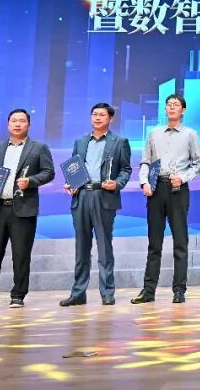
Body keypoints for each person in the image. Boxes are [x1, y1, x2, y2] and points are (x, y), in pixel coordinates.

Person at [0, 109, 56, 309]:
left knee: (21, 255)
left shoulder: (39, 147)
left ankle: (18, 295)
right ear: (8, 124)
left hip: (23, 209)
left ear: (29, 125)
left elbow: (49, 172)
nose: (17, 124)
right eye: (14, 121)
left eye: (22, 121)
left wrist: (31, 181)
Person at [131, 94, 200, 305]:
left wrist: (184, 178)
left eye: (176, 105)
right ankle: (148, 290)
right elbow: (145, 161)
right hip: (156, 188)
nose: (171, 107)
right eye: (169, 104)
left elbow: (197, 164)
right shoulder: (154, 133)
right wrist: (144, 182)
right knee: (154, 243)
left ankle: (179, 290)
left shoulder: (190, 134)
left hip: (178, 190)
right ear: (165, 109)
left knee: (180, 242)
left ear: (183, 110)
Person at [60, 103, 132, 307]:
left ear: (111, 118)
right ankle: (78, 293)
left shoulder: (120, 142)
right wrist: (71, 183)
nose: (97, 118)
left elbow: (126, 169)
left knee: (104, 247)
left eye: (102, 115)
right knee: (81, 246)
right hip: (82, 195)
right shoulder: (80, 141)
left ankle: (107, 292)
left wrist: (117, 184)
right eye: (94, 114)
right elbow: (74, 168)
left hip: (104, 195)